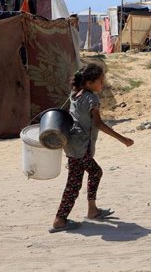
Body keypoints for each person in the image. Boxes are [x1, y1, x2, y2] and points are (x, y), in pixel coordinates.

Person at [50, 63, 134, 233]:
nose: (102, 84)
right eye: (100, 81)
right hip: (80, 147)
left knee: (85, 177)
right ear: (89, 83)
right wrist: (122, 139)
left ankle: (91, 210)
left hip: (73, 144)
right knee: (79, 182)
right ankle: (61, 219)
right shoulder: (91, 99)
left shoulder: (75, 94)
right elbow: (98, 123)